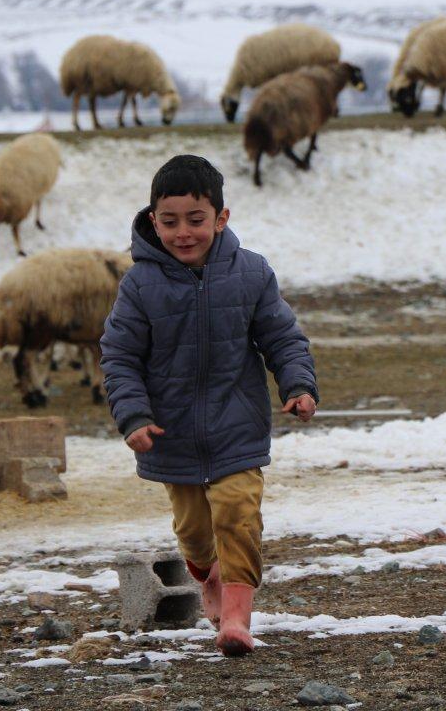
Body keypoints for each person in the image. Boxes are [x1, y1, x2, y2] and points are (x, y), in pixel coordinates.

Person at [100, 154, 318, 656]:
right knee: (196, 534)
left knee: (238, 515)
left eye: (196, 220)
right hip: (171, 434)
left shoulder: (252, 274)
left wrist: (297, 386)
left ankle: (237, 619)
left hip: (236, 425)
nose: (183, 233)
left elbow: (282, 339)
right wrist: (133, 416)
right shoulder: (139, 285)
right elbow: (120, 356)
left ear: (221, 218)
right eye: (170, 221)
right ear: (153, 220)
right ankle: (208, 574)